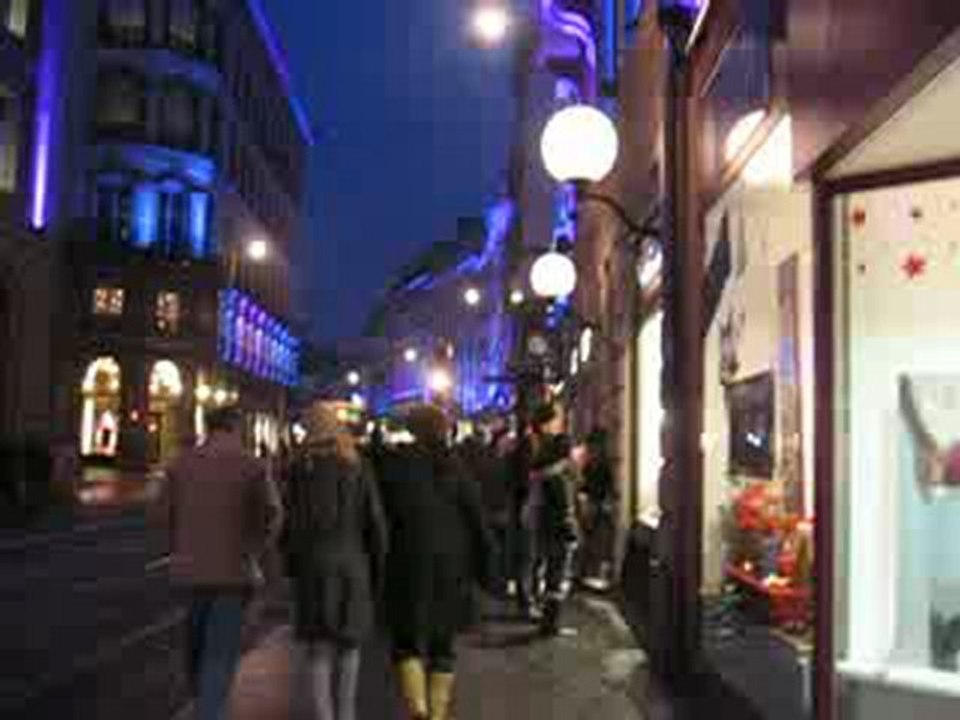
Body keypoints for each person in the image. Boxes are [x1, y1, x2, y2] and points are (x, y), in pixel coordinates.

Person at [158, 406, 283, 720]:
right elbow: (272, 513)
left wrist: (180, 540)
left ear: (207, 427)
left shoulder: (180, 464)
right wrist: (256, 545)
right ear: (235, 428)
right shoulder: (252, 465)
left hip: (190, 569)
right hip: (234, 569)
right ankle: (208, 711)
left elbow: (160, 514)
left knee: (195, 643)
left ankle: (200, 699)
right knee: (220, 649)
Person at [378, 404, 490, 720]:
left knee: (407, 643)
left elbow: (381, 518)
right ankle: (437, 715)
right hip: (452, 569)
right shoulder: (456, 467)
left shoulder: (396, 465)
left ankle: (418, 710)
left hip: (408, 564)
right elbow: (477, 521)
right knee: (443, 646)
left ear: (412, 430)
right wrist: (487, 571)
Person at [286, 403, 388, 720]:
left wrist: (292, 567)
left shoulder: (299, 471)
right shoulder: (357, 467)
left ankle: (325, 716)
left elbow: (291, 528)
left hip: (314, 568)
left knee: (318, 652)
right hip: (353, 567)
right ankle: (346, 715)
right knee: (349, 647)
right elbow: (376, 524)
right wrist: (377, 568)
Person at [529, 403, 581, 636]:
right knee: (558, 571)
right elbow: (563, 498)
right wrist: (569, 522)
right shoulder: (558, 458)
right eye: (559, 416)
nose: (562, 420)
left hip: (543, 520)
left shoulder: (539, 448)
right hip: (557, 521)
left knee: (550, 568)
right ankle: (550, 624)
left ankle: (548, 621)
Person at [578, 428, 618, 590]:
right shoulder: (598, 464)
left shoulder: (593, 464)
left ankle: (589, 575)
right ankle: (591, 576)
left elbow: (587, 486)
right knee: (597, 542)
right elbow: (595, 486)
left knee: (594, 542)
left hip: (594, 506)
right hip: (595, 506)